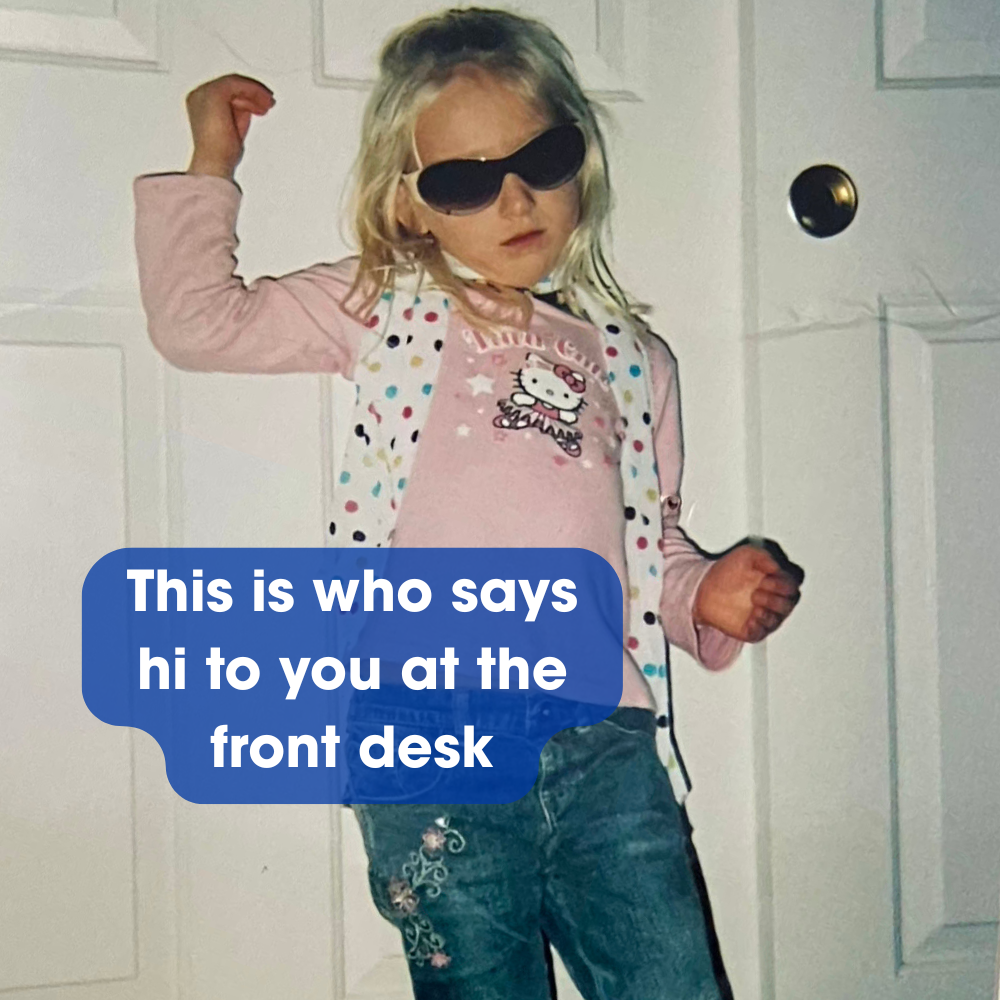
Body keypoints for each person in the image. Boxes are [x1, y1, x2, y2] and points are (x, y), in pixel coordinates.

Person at [133, 7, 804, 998]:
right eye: (463, 180)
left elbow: (646, 546)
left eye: (542, 157)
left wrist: (705, 591)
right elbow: (198, 325)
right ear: (411, 205)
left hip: (604, 744)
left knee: (672, 980)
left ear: (581, 158)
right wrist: (209, 162)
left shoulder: (632, 361)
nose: (514, 197)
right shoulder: (388, 308)